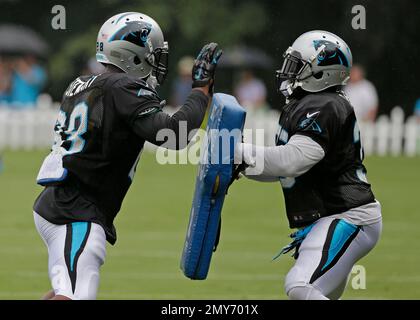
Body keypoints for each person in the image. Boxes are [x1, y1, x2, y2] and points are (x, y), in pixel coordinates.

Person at [33, 12, 222, 300]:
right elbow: (175, 133)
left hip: (59, 202)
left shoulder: (82, 83)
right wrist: (200, 91)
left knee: (67, 290)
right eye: (153, 55)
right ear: (133, 55)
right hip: (77, 212)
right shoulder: (123, 87)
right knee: (74, 295)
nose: (158, 63)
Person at [235, 30, 382, 300]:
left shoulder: (324, 105)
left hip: (347, 216)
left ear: (320, 73)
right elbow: (284, 169)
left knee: (301, 286)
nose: (288, 72)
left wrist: (239, 152)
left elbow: (292, 160)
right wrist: (242, 165)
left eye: (297, 65)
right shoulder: (307, 104)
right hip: (332, 217)